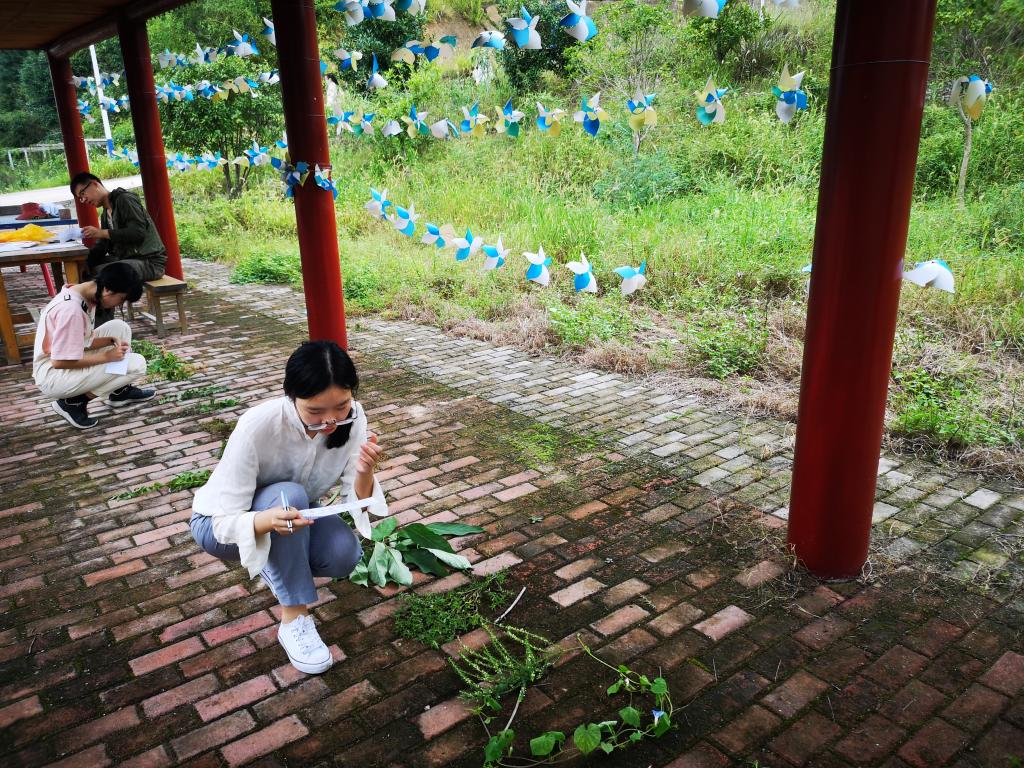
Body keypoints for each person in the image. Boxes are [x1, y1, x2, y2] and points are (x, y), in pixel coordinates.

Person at [191, 341, 387, 674]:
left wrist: (365, 472)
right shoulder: (258, 425)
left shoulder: (353, 419)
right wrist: (264, 522)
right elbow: (223, 521)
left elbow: (358, 503)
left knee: (344, 554)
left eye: (341, 406)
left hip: (294, 517)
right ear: (291, 396)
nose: (330, 421)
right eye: (315, 411)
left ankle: (279, 560)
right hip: (222, 526)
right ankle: (294, 618)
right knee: (290, 495)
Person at [32, 261, 156, 430]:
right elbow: (59, 361)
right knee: (136, 364)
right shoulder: (72, 310)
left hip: (59, 362)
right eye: (121, 299)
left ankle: (118, 392)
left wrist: (108, 341)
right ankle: (74, 403)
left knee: (120, 328)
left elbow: (79, 340)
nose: (119, 305)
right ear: (108, 290)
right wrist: (106, 357)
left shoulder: (82, 292)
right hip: (53, 375)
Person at [69, 172, 167, 324]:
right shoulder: (105, 214)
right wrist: (86, 262)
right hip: (130, 259)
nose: (84, 200)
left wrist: (102, 232)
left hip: (150, 261)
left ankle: (103, 327)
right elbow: (103, 245)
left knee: (107, 277)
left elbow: (138, 233)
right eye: (80, 198)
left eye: (83, 193)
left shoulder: (125, 200)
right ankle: (87, 321)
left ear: (95, 184)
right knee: (89, 271)